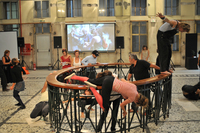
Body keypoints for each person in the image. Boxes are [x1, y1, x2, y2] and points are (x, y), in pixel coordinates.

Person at [65, 70, 149, 118]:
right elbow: (122, 105)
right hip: (109, 84)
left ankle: (74, 76)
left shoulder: (134, 87)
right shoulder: (131, 98)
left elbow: (123, 80)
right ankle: (92, 88)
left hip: (111, 79)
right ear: (137, 101)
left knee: (90, 80)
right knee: (104, 106)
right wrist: (124, 112)